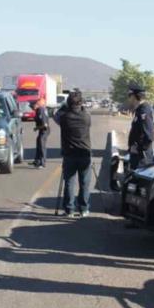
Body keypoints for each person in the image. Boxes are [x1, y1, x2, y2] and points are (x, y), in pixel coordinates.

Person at [54, 88, 93, 217]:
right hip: (85, 154)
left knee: (69, 182)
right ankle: (84, 209)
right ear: (81, 103)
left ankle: (69, 209)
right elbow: (84, 112)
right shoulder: (86, 117)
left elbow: (56, 115)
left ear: (69, 103)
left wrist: (65, 105)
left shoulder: (64, 118)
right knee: (85, 183)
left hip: (69, 154)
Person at [126, 82, 154, 170]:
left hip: (141, 159)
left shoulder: (144, 111)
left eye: (129, 95)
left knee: (138, 182)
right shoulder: (139, 110)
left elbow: (149, 136)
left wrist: (138, 149)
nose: (129, 98)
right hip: (137, 156)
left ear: (135, 96)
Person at [32, 97, 50, 169]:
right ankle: (37, 161)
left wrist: (36, 128)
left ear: (40, 104)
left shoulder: (41, 110)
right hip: (42, 129)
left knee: (42, 146)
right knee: (38, 142)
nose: (34, 105)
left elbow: (44, 124)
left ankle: (42, 163)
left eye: (36, 103)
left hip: (44, 130)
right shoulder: (39, 110)